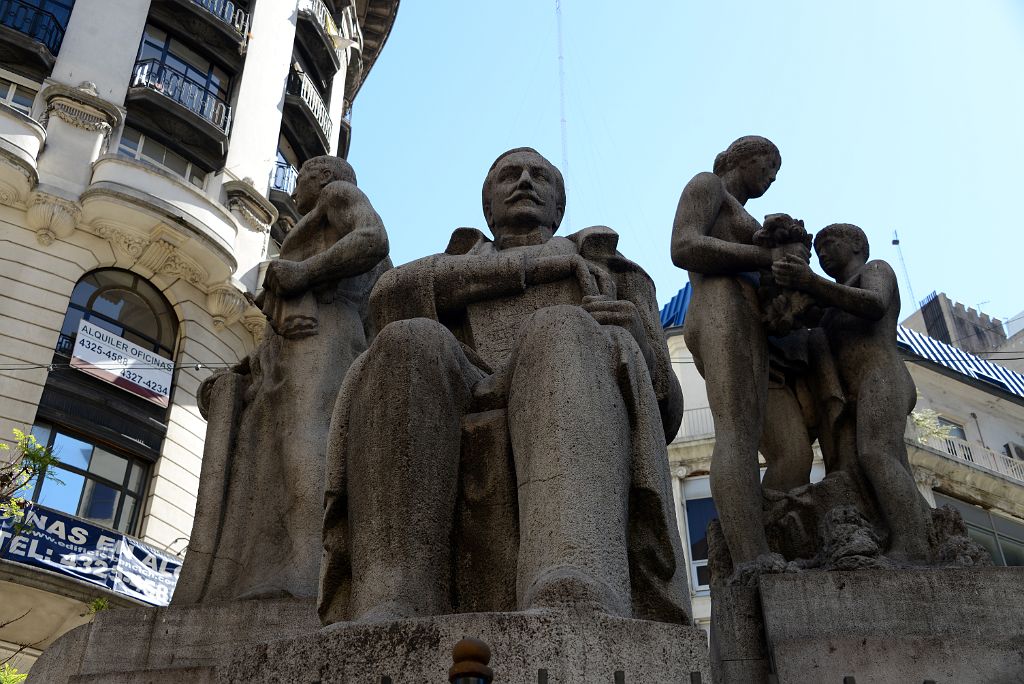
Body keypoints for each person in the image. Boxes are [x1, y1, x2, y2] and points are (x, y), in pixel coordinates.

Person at [319, 147, 690, 625]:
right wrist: (535, 268)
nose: (524, 181)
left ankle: (571, 575)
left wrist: (639, 342)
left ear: (559, 209)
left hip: (567, 379)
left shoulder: (615, 270)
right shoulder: (451, 264)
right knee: (407, 341)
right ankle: (395, 593)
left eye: (540, 176)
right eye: (509, 175)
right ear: (487, 206)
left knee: (561, 328)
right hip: (461, 390)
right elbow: (386, 300)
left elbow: (668, 414)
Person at [172, 156, 390, 604]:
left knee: (306, 446)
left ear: (325, 177)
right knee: (283, 451)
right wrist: (241, 371)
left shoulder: (338, 195)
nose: (294, 189)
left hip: (324, 329)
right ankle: (286, 564)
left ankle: (310, 568)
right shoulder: (317, 218)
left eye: (302, 177)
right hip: (292, 344)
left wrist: (305, 273)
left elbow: (374, 239)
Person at [670, 136, 810, 577]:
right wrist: (765, 256)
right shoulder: (707, 184)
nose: (771, 176)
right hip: (719, 305)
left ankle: (766, 534)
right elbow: (684, 246)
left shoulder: (746, 213)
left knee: (793, 453)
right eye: (767, 165)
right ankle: (749, 554)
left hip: (749, 315)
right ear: (742, 158)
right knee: (737, 432)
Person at [773, 223, 932, 560]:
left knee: (877, 454)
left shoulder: (875, 270)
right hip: (852, 392)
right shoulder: (831, 302)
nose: (824, 253)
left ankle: (913, 545)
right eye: (818, 251)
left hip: (882, 377)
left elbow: (874, 304)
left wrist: (812, 282)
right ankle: (914, 530)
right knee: (855, 468)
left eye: (830, 243)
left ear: (857, 242)